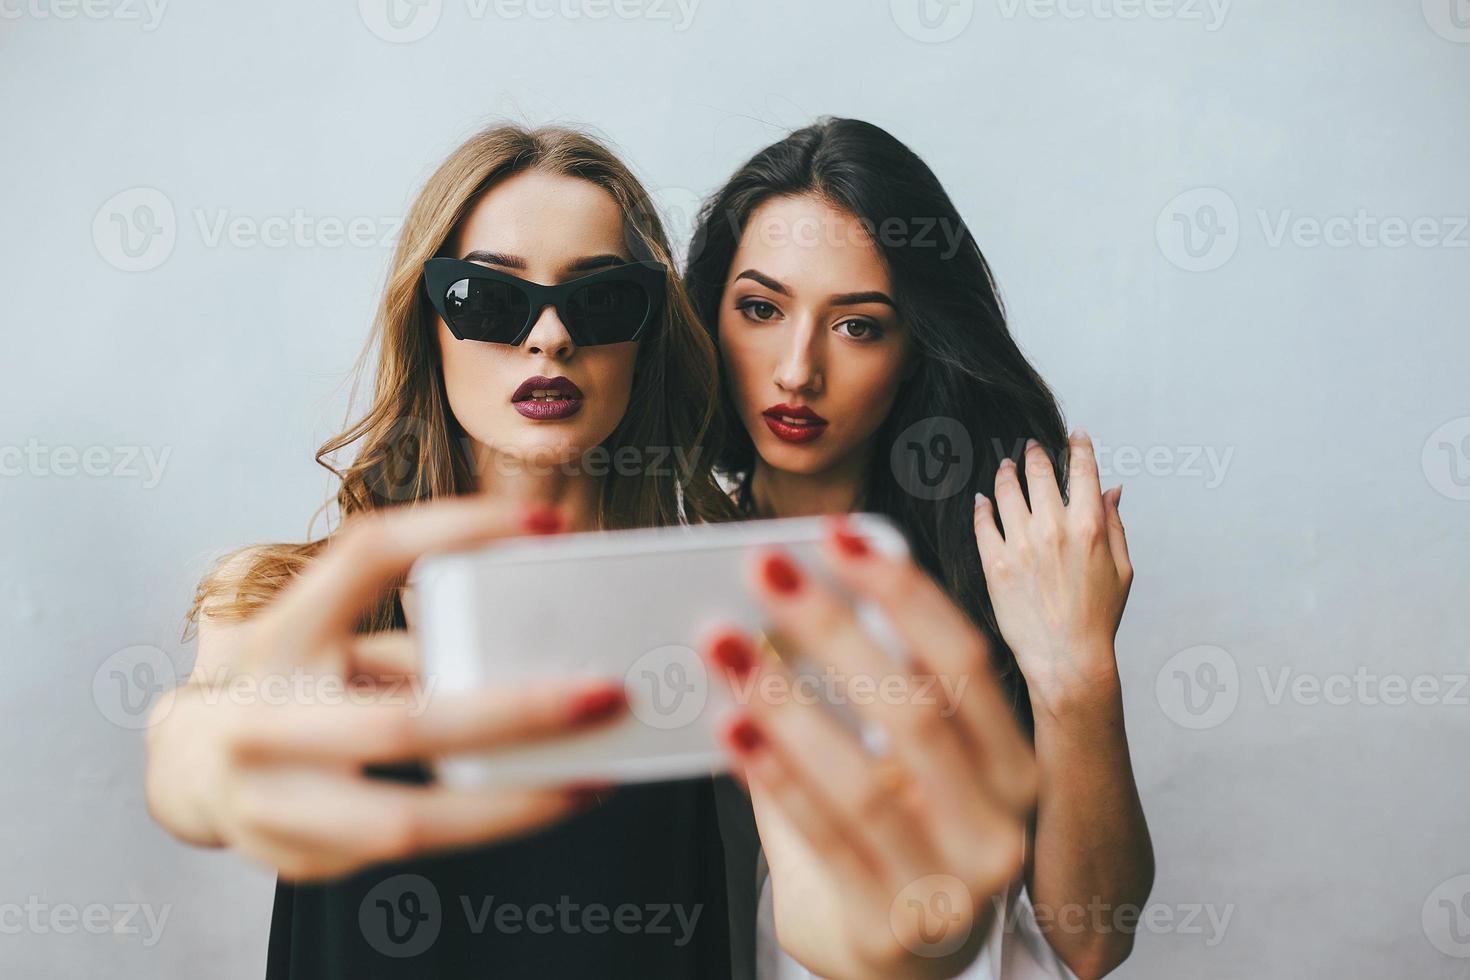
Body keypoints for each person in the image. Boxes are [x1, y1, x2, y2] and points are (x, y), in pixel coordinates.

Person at [686, 117, 1153, 979]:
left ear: (914, 349)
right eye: (761, 308)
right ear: (709, 314)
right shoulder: (665, 559)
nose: (797, 370)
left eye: (857, 325)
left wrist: (1079, 677)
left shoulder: (991, 563)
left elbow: (1092, 939)